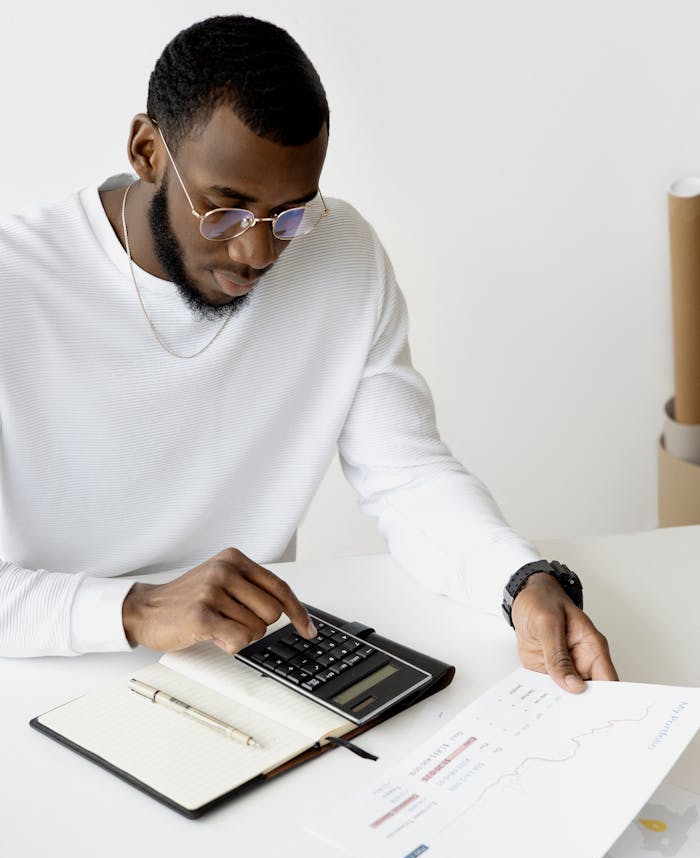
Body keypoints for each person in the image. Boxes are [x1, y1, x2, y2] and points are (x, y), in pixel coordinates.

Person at [0, 14, 617, 692]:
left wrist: (521, 581)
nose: (257, 252)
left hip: (251, 673)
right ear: (147, 150)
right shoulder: (16, 286)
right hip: (37, 679)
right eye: (225, 209)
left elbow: (407, 477)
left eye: (289, 213)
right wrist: (137, 607)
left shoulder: (339, 251)